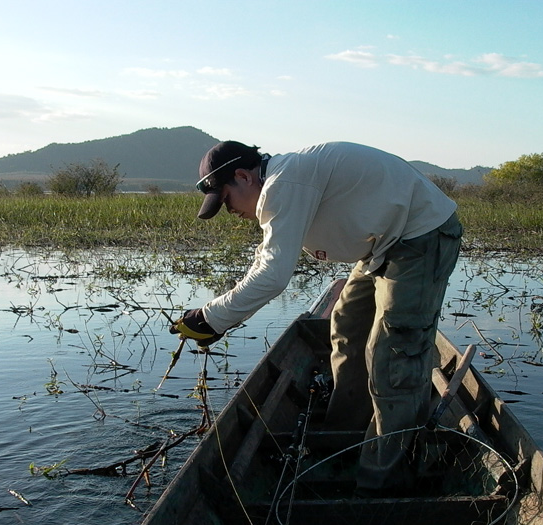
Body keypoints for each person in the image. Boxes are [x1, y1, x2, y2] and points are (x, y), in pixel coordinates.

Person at [171, 140, 463, 496]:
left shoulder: (284, 184)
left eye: (226, 199)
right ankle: (344, 437)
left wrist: (211, 319)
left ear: (244, 176)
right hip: (384, 244)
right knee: (347, 325)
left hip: (420, 236)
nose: (229, 210)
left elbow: (273, 275)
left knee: (393, 356)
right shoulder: (285, 181)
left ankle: (382, 488)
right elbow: (268, 258)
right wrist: (215, 317)